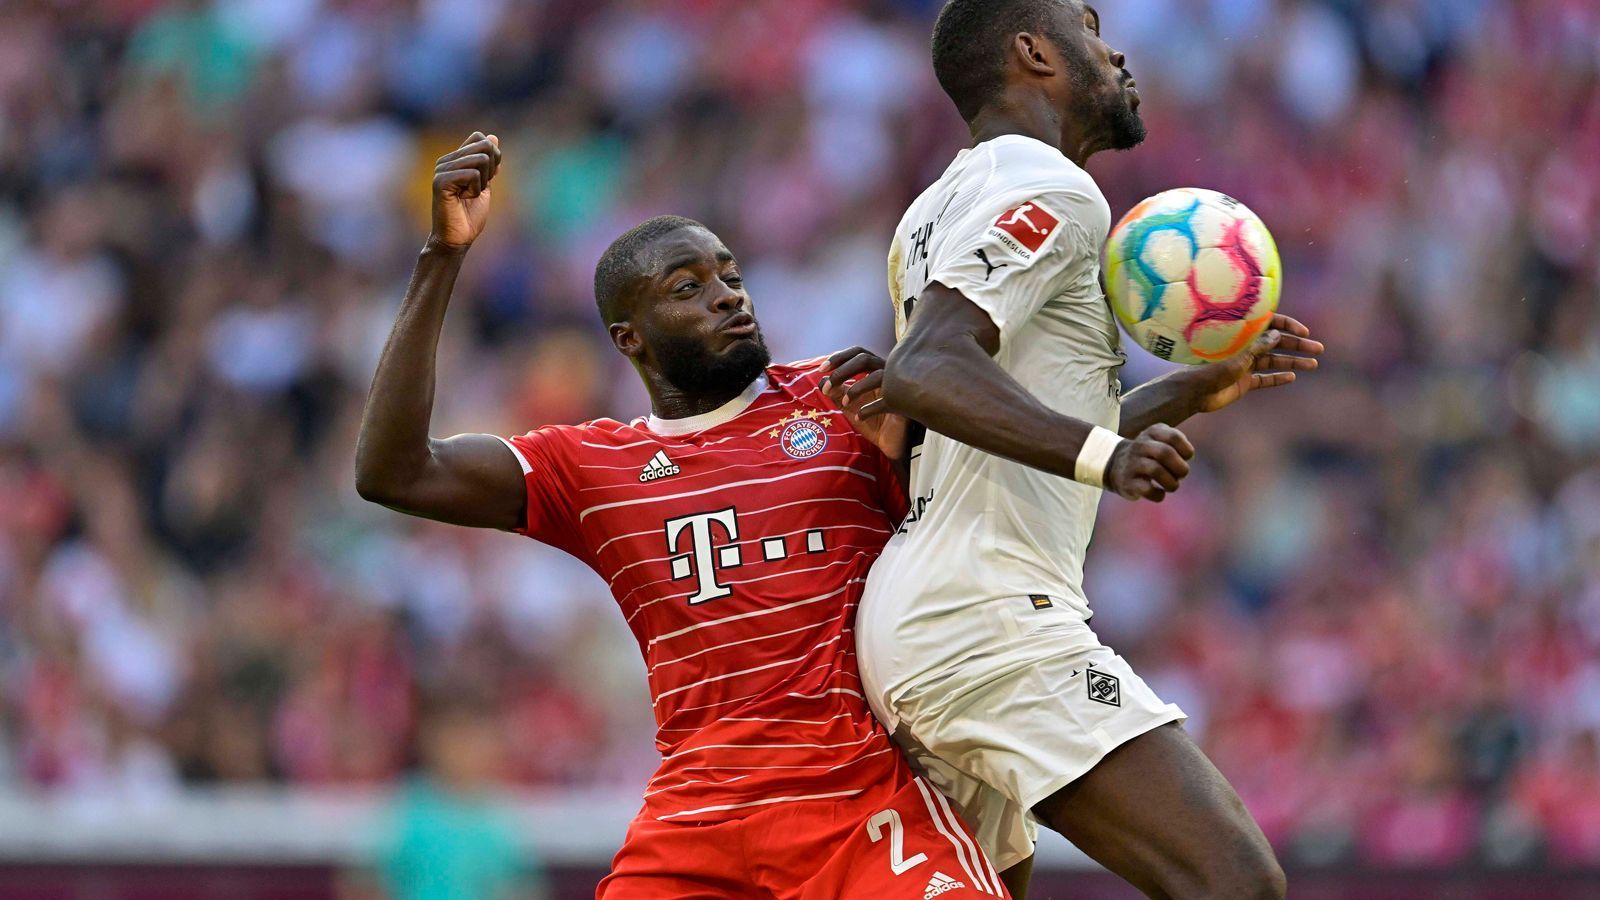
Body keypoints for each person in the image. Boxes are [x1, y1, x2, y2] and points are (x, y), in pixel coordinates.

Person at [355, 132, 1009, 899]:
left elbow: (970, 532)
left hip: (856, 796)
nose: (727, 294)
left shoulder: (843, 398)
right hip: (698, 818)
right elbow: (393, 472)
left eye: (730, 275)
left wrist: (905, 452)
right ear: (629, 339)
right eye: (688, 287)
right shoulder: (592, 467)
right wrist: (442, 256)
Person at [840, 2, 1325, 898]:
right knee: (1235, 883)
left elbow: (962, 418)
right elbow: (926, 368)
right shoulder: (1055, 191)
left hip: (930, 617)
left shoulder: (932, 211)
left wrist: (1180, 392)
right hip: (985, 616)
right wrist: (1105, 457)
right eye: (1090, 28)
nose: (1116, 51)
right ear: (1034, 52)